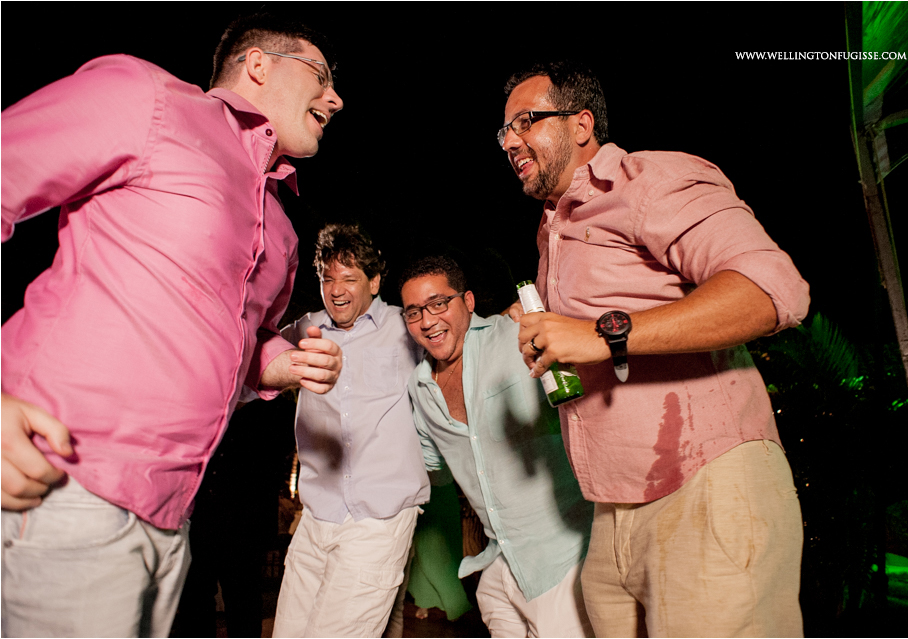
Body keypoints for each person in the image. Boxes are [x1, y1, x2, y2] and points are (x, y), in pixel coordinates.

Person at [1, 13, 344, 637]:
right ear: (258, 64)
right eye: (320, 76)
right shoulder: (150, 100)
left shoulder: (284, 232)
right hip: (61, 483)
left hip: (172, 520)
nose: (336, 98)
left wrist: (281, 364)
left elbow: (237, 350)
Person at [498, 61, 810, 637]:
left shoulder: (649, 181)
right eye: (503, 132)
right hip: (611, 514)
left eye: (525, 122)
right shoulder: (552, 230)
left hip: (704, 485)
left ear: (581, 124)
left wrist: (601, 334)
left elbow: (771, 290)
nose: (510, 141)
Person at [400, 255, 594, 638]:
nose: (427, 320)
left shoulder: (515, 335)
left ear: (468, 301)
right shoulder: (418, 387)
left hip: (563, 562)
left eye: (438, 303)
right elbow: (433, 471)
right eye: (414, 312)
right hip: (496, 570)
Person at [271, 223, 429, 638]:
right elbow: (254, 366)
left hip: (379, 518)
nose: (336, 290)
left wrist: (511, 318)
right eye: (328, 279)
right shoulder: (304, 331)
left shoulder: (405, 327)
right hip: (316, 516)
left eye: (349, 278)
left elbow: (463, 336)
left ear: (374, 282)